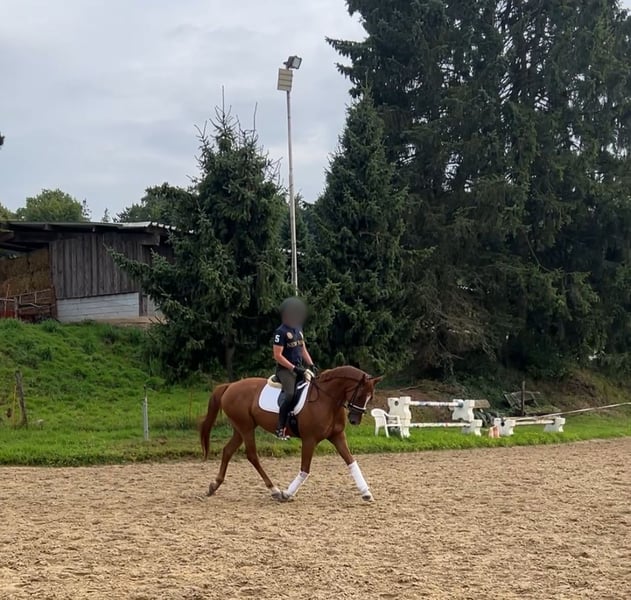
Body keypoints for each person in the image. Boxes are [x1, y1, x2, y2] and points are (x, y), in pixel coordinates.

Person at [273, 297, 317, 439]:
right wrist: (293, 368)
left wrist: (311, 364)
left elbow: (302, 349)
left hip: (299, 367)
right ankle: (280, 428)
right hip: (285, 370)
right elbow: (277, 355)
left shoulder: (298, 329)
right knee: (290, 394)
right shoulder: (280, 332)